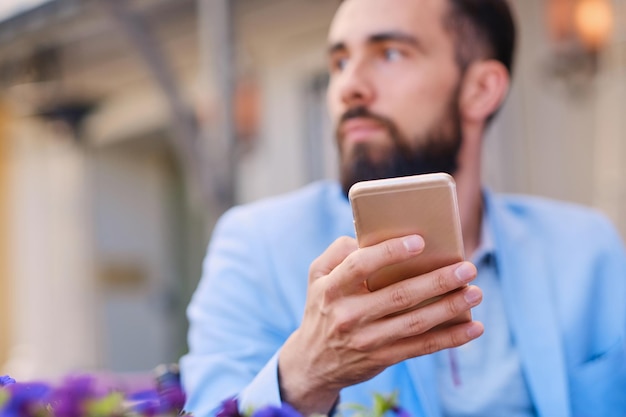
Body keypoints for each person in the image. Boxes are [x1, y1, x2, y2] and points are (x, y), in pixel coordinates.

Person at [180, 0, 626, 416]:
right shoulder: (254, 246)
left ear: (480, 89)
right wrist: (306, 373)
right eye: (339, 62)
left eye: (390, 54)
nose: (348, 87)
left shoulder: (587, 247)